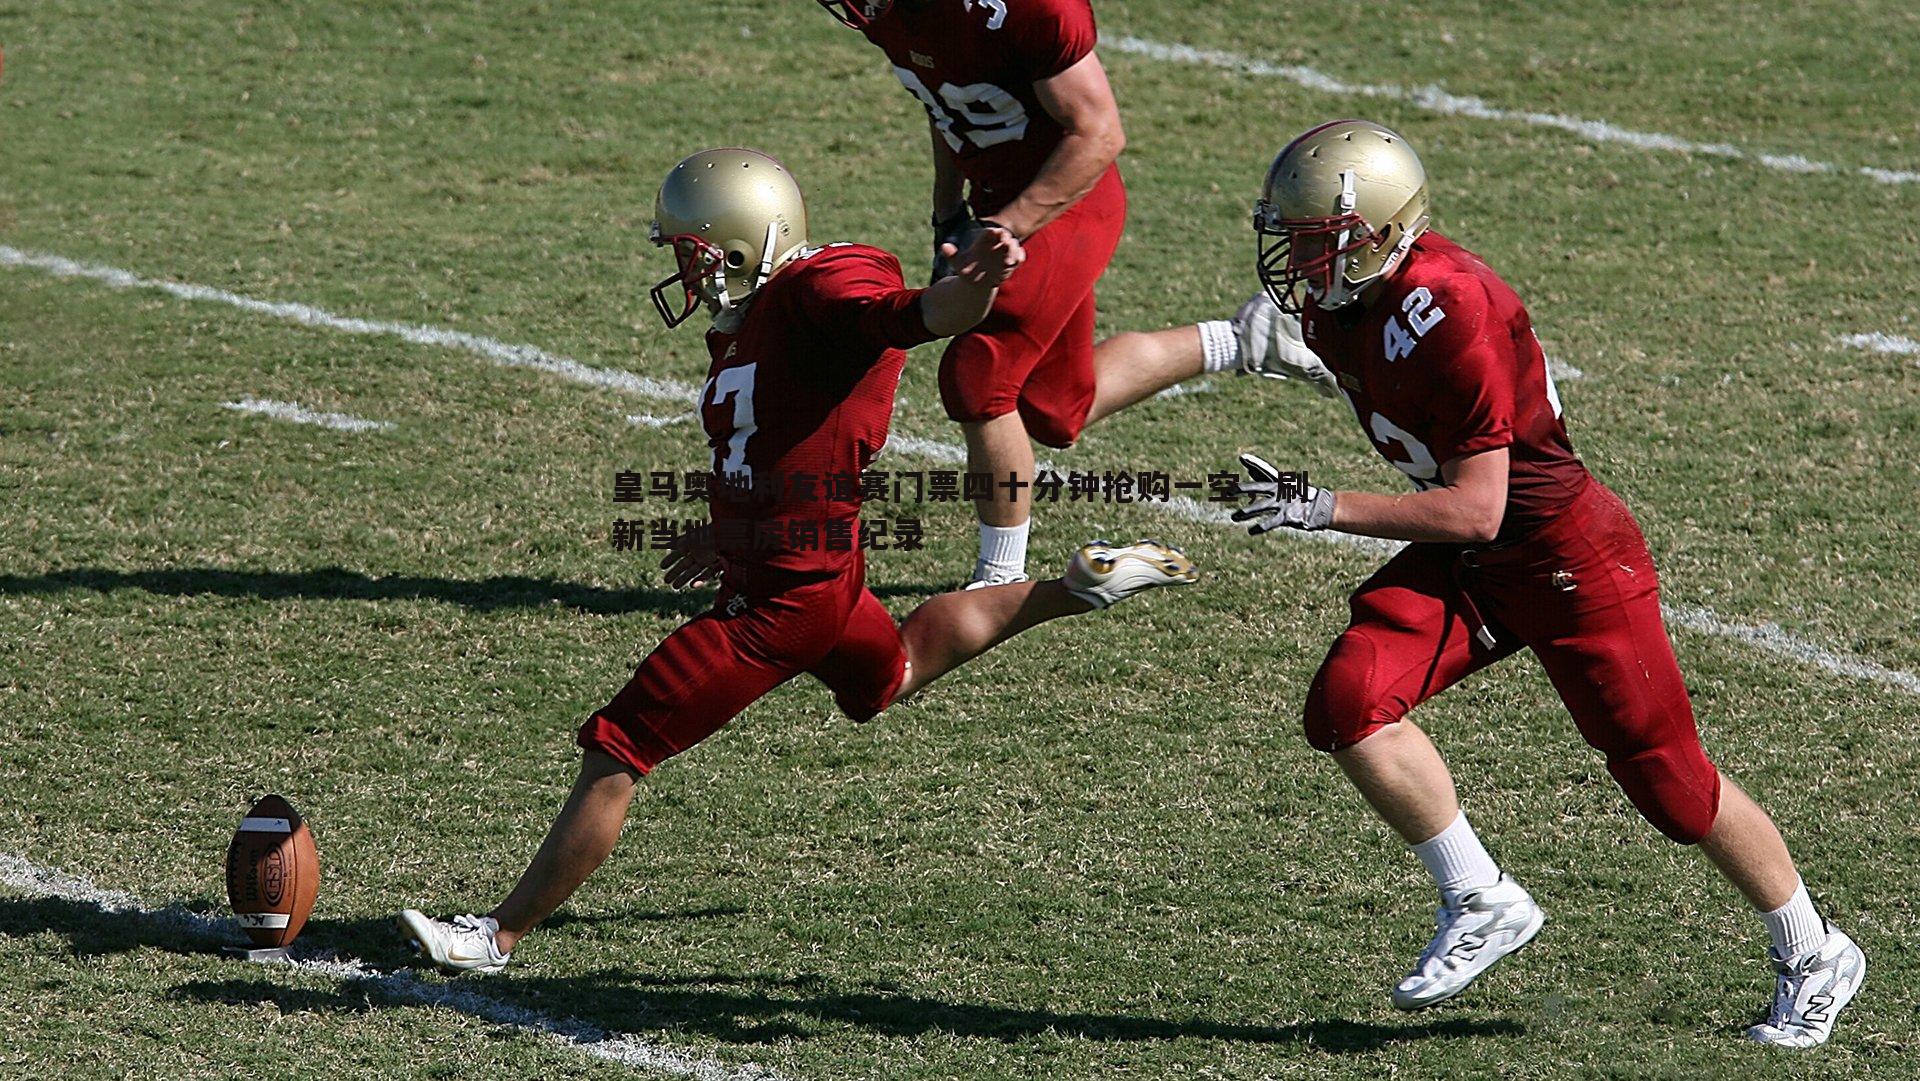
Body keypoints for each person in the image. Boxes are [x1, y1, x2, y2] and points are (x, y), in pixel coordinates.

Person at [398, 148, 1198, 972]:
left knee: (619, 745)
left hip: (777, 605)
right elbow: (778, 440)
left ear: (745, 244)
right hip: (821, 569)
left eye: (695, 252)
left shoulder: (821, 292)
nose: (685, 270)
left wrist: (976, 286)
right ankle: (1076, 587)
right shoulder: (758, 316)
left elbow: (921, 314)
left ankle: (494, 935)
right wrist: (729, 526)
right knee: (892, 673)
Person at [1228, 120, 1863, 1048]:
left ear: (1380, 233)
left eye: (1317, 238)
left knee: (1669, 782)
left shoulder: (1454, 307)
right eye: (1292, 235)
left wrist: (1322, 506)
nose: (1299, 259)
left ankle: (1816, 948)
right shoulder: (1339, 302)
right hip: (1481, 561)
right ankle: (1480, 895)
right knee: (1349, 700)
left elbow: (1477, 509)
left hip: (1562, 553)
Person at [817, 0, 1324, 588]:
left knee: (977, 376)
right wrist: (949, 210)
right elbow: (948, 106)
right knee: (1058, 409)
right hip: (999, 204)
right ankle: (1248, 339)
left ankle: (1000, 577)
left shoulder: (1025, 9)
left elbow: (1099, 132)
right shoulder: (893, 13)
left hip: (1069, 205)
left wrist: (1008, 226)